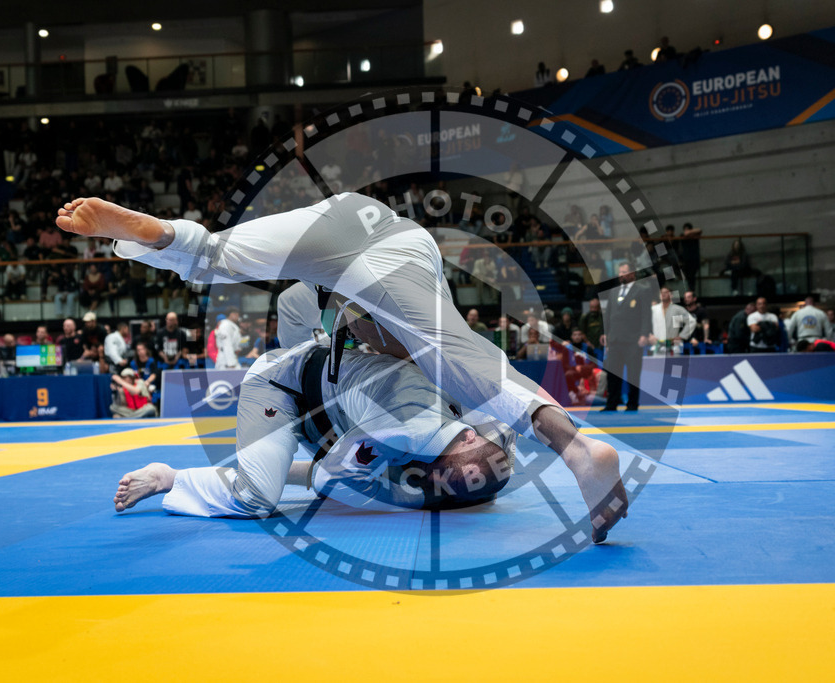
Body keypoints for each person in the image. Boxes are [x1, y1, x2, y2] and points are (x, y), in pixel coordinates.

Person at [58, 193, 628, 542]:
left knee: (215, 256)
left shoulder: (386, 449)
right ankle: (574, 448)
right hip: (381, 269)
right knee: (451, 359)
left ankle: (159, 235)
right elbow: (464, 368)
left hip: (351, 229)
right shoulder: (421, 430)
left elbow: (317, 450)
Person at [114, 340, 516, 517]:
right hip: (284, 385)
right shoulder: (402, 430)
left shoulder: (486, 423)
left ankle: (260, 466)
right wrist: (403, 495)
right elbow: (326, 481)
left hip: (342, 403)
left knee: (429, 484)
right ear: (465, 436)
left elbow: (492, 448)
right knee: (258, 499)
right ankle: (169, 477)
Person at [601, 262, 651, 411]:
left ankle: (632, 403)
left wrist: (644, 334)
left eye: (624, 272)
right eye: (620, 272)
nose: (621, 275)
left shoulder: (642, 290)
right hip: (615, 339)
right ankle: (612, 403)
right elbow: (608, 315)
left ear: (632, 274)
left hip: (633, 340)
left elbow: (646, 315)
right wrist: (605, 332)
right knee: (612, 373)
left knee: (633, 374)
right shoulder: (614, 292)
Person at [649, 286, 696, 355]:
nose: (663, 294)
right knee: (657, 364)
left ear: (671, 295)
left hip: (674, 343)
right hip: (657, 343)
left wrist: (682, 336)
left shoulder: (678, 309)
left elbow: (692, 321)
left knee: (675, 364)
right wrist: (649, 335)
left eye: (665, 292)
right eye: (661, 292)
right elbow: (644, 323)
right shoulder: (653, 309)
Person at [679, 222, 701, 292]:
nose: (686, 231)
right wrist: (687, 232)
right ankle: (690, 291)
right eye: (685, 229)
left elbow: (700, 230)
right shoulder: (682, 236)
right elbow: (685, 234)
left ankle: (692, 291)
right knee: (688, 276)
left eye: (688, 229)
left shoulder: (695, 236)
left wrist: (690, 231)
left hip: (694, 259)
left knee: (692, 275)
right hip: (686, 260)